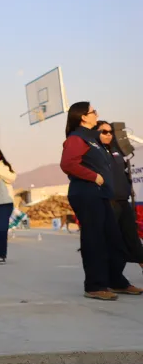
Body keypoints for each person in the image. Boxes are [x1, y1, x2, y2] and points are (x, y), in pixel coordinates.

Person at [60, 102, 140, 300]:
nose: (96, 113)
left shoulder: (93, 139)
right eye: (93, 111)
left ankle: (116, 281)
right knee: (94, 241)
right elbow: (68, 163)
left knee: (114, 240)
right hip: (86, 193)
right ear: (83, 117)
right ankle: (94, 286)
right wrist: (93, 176)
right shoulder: (76, 138)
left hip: (102, 194)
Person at [96, 120, 143, 276]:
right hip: (108, 202)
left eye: (110, 132)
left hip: (123, 201)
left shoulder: (117, 151)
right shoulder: (95, 152)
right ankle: (113, 278)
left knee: (133, 239)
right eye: (104, 132)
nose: (109, 135)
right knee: (114, 242)